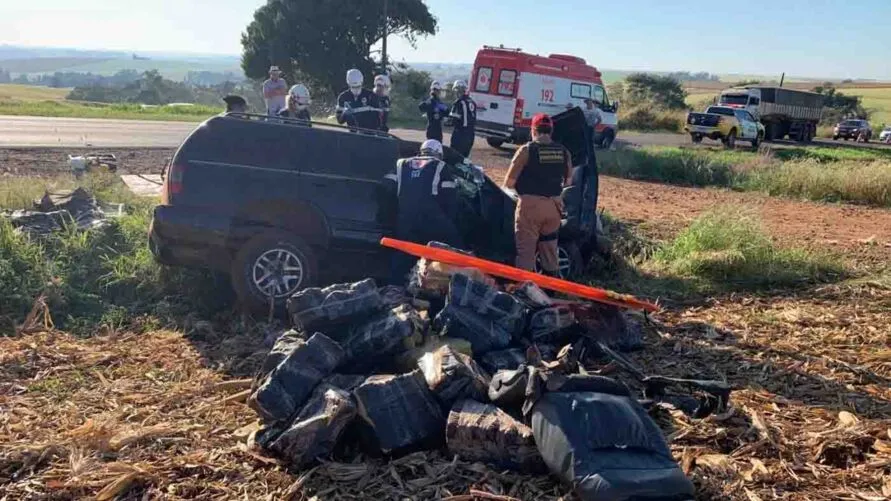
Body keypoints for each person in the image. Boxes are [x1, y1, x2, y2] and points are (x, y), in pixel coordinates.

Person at [502, 113, 573, 276]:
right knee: (550, 252)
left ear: (533, 130)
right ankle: (550, 290)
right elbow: (568, 182)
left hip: (530, 208)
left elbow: (509, 183)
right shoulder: (564, 151)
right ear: (551, 131)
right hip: (554, 208)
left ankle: (523, 292)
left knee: (526, 254)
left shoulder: (526, 150)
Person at [384, 139, 463, 280]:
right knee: (454, 247)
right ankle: (446, 283)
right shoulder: (441, 166)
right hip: (431, 218)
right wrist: (447, 219)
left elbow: (387, 186)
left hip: (405, 217)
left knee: (402, 253)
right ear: (439, 154)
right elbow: (450, 199)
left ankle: (394, 286)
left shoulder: (401, 163)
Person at [448, 80, 477, 158]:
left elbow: (452, 121)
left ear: (458, 90)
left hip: (460, 134)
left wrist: (446, 121)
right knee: (464, 159)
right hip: (471, 134)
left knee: (454, 158)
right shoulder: (472, 102)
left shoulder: (459, 102)